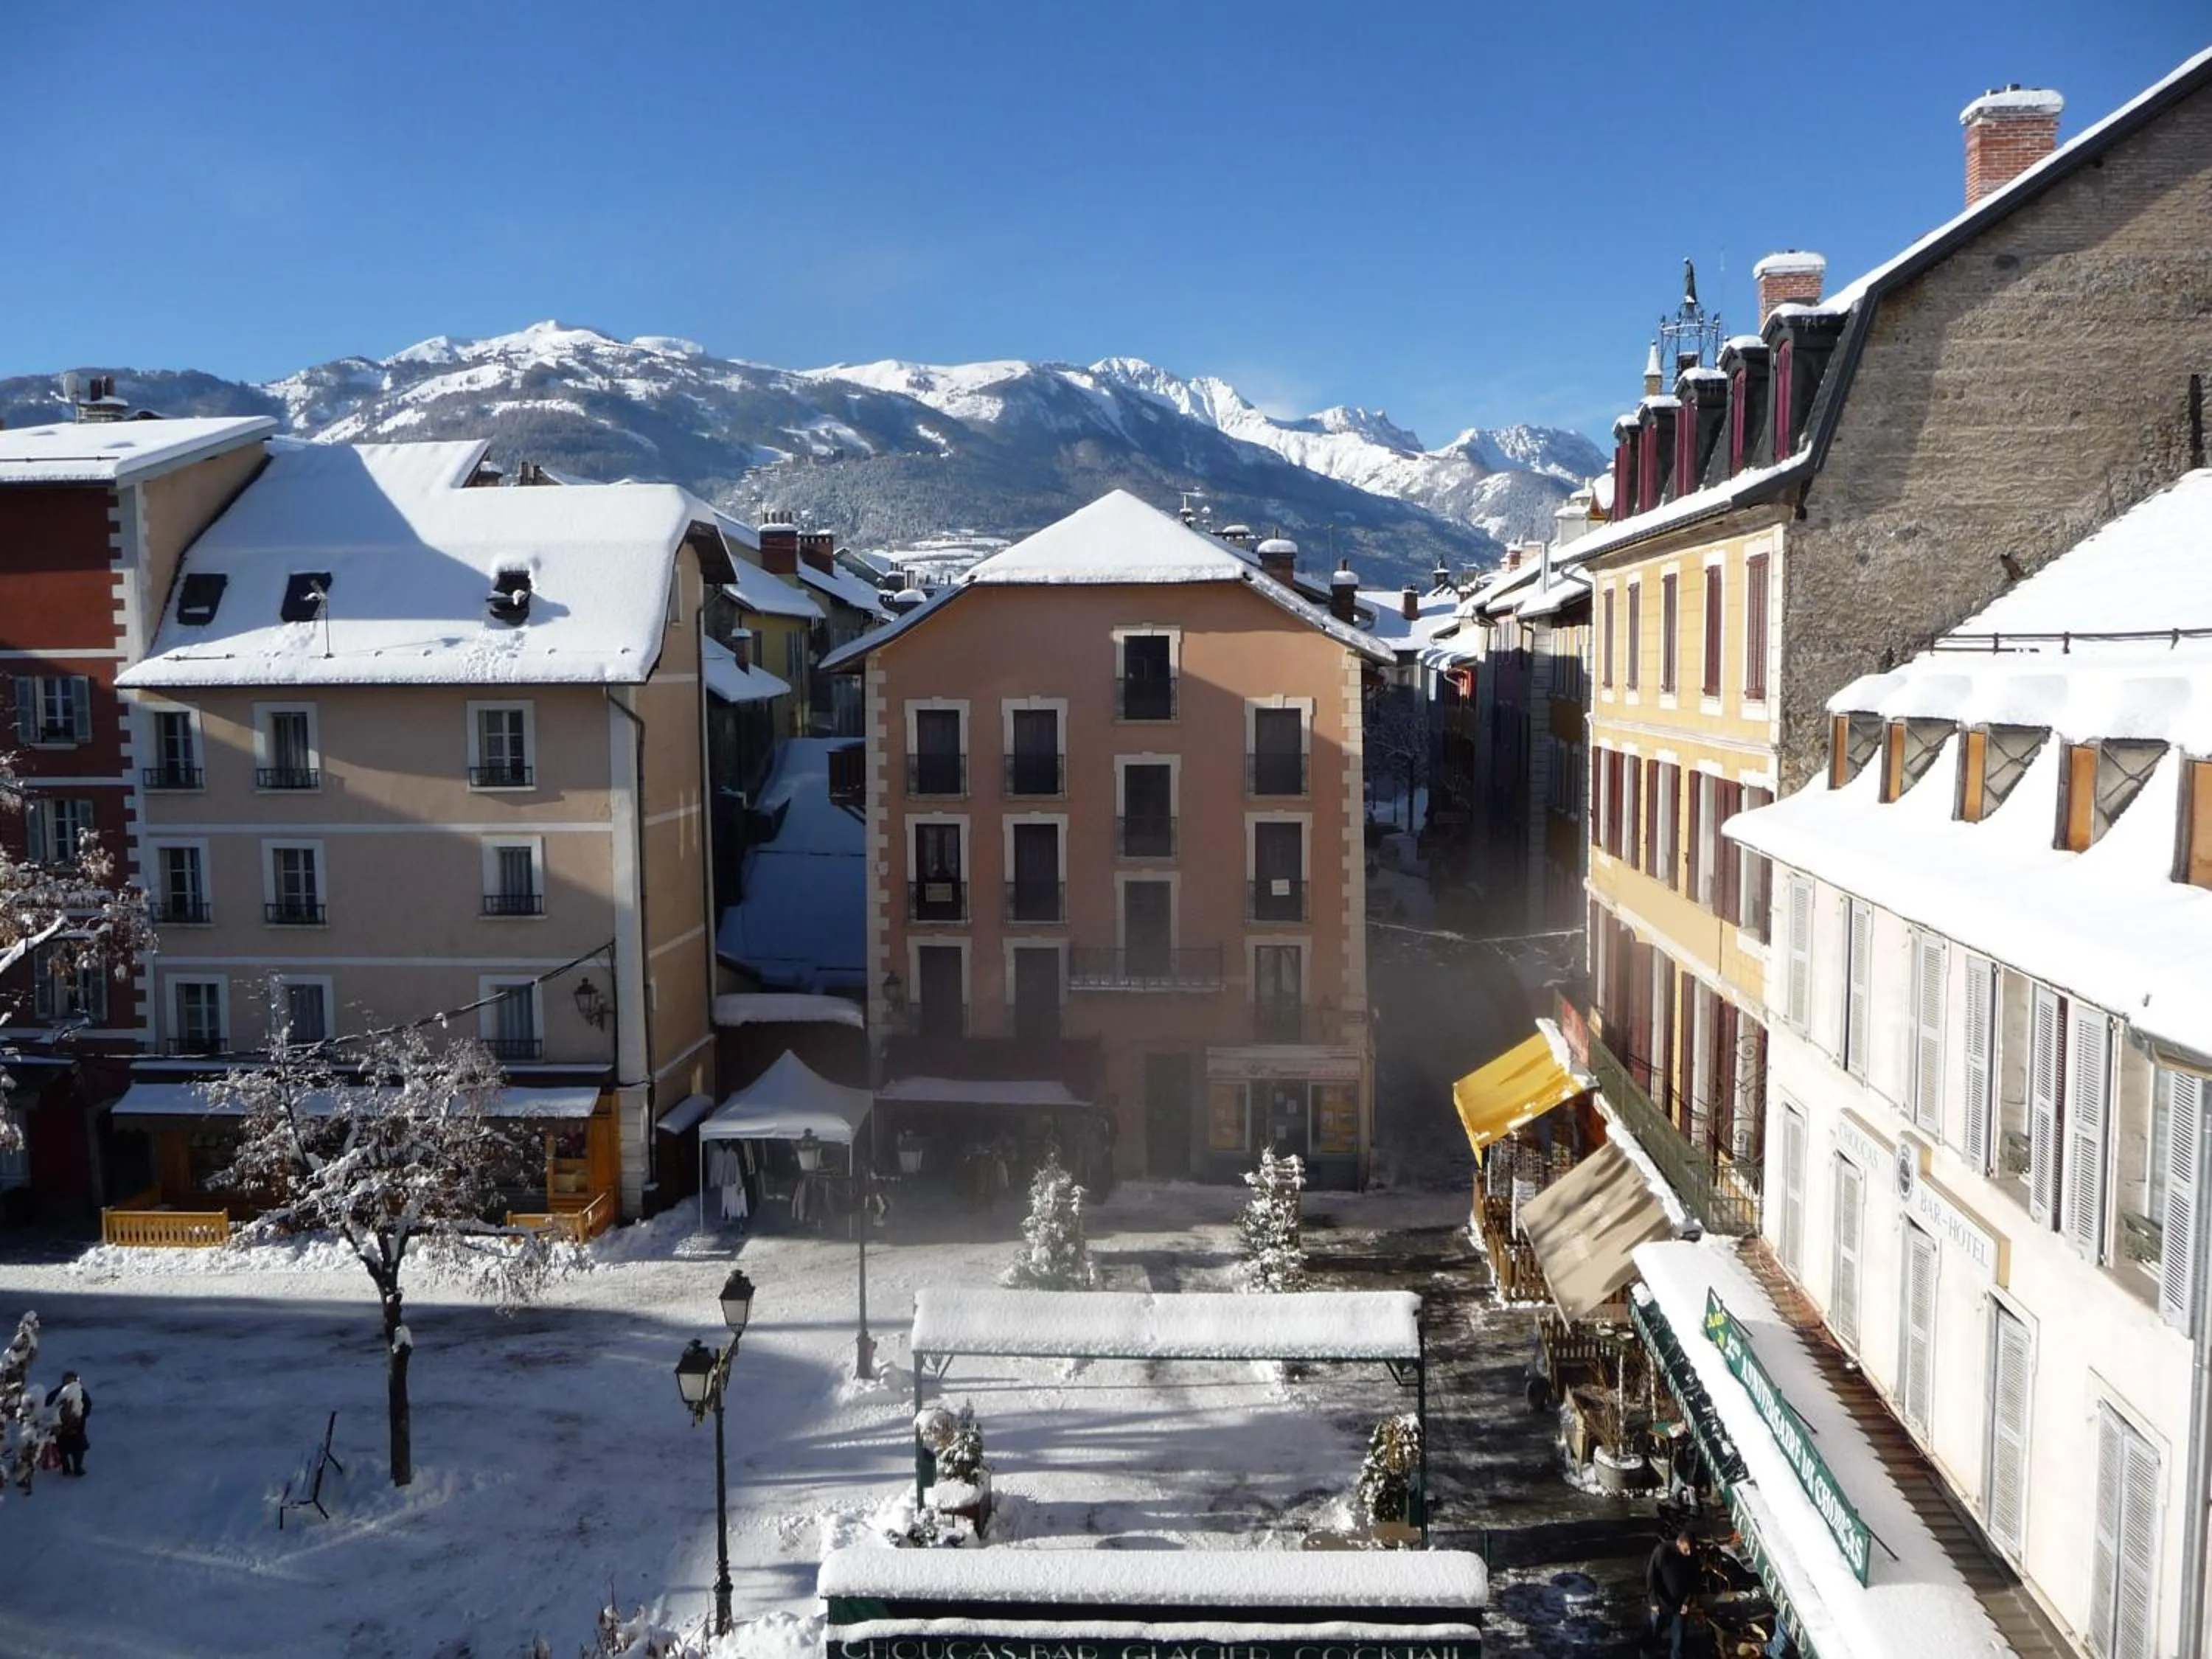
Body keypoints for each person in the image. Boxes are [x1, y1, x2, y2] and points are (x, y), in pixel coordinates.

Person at [1645, 1529, 1699, 1659]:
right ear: (1679, 1543)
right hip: (1662, 1604)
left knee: (1679, 1642)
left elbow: (1694, 1580)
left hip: (1680, 1606)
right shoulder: (1663, 1551)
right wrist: (1653, 1601)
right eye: (1686, 1550)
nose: (1689, 1553)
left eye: (1691, 1549)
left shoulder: (1692, 1557)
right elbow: (1651, 1576)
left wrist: (1687, 1601)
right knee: (1653, 1636)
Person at [45, 1371, 91, 1478]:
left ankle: (77, 1468)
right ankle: (66, 1467)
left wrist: (80, 1416)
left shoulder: (81, 1392)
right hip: (61, 1425)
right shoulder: (59, 1393)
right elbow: (49, 1403)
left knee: (78, 1449)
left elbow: (87, 1406)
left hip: (77, 1426)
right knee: (62, 1448)